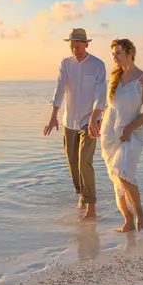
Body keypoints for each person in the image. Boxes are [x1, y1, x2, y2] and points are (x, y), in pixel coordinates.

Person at [43, 28, 107, 221]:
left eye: (78, 46)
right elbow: (59, 89)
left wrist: (97, 114)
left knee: (84, 162)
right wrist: (53, 115)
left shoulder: (97, 65)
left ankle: (91, 207)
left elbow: (101, 92)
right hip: (69, 121)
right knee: (72, 163)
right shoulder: (65, 64)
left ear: (86, 44)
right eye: (72, 46)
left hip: (90, 120)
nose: (75, 50)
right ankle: (81, 193)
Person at [100, 38, 143, 232]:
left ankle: (139, 213)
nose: (114, 57)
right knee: (116, 177)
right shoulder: (115, 77)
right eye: (113, 54)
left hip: (133, 133)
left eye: (118, 53)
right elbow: (109, 107)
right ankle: (127, 220)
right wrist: (95, 122)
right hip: (110, 133)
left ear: (130, 52)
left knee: (123, 173)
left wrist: (129, 129)